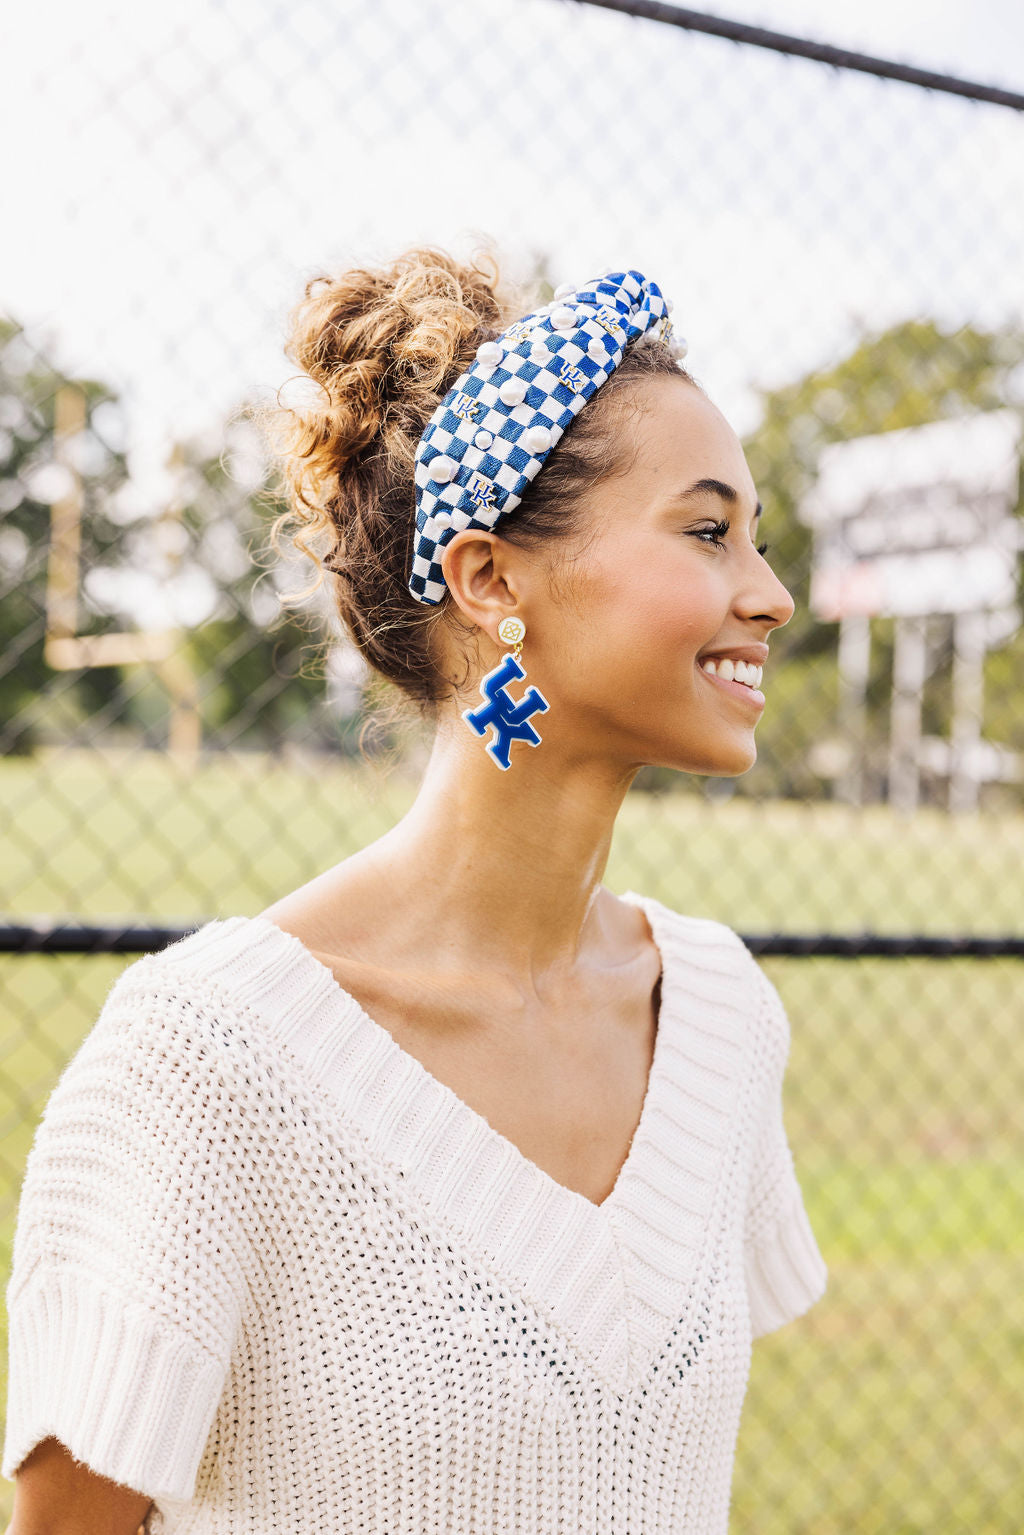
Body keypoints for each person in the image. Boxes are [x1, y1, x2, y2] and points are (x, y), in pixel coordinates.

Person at [2, 248, 827, 1535]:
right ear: (492, 577)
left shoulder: (719, 1014)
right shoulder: (205, 1061)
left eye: (756, 538)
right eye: (709, 530)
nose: (769, 595)